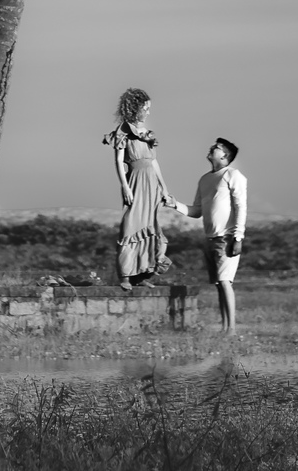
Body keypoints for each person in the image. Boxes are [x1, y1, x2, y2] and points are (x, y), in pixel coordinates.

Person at [103, 88, 184, 291]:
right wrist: (124, 186)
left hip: (152, 184)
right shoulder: (124, 131)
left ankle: (144, 273)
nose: (148, 112)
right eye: (145, 108)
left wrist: (164, 188)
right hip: (136, 181)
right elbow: (119, 160)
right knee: (131, 225)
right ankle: (125, 275)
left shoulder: (147, 134)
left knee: (151, 226)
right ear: (134, 108)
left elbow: (154, 162)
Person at [188, 137, 247, 333]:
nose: (212, 149)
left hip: (227, 237)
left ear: (224, 155)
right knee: (219, 284)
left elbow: (240, 206)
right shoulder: (205, 179)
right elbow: (196, 211)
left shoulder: (232, 175)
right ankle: (225, 327)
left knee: (224, 281)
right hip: (210, 238)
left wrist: (238, 237)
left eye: (216, 148)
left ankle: (231, 329)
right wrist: (172, 204)